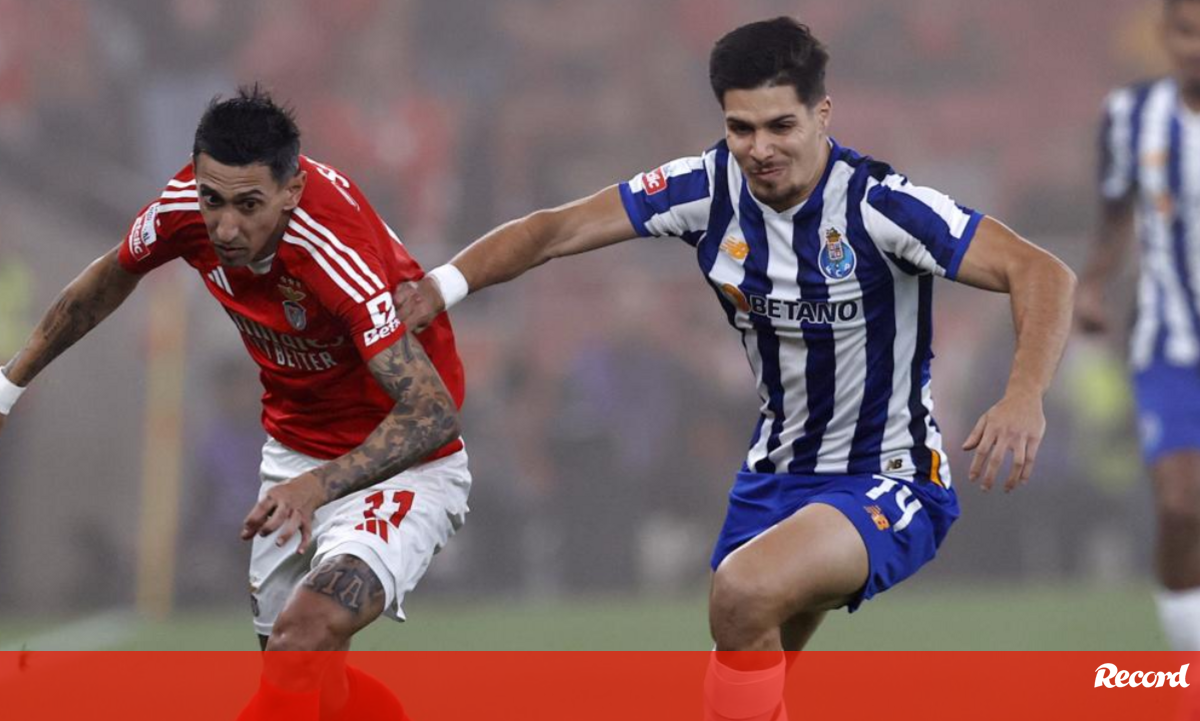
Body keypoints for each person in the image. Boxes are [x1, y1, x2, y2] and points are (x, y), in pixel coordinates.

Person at [397, 17, 1074, 720]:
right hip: (772, 479)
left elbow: (1043, 272)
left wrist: (1024, 394)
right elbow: (553, 230)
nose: (760, 149)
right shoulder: (704, 189)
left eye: (781, 126)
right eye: (741, 128)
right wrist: (442, 286)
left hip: (888, 475)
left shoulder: (880, 205)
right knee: (743, 679)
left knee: (743, 592)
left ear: (822, 114)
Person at [0, 87, 469, 718]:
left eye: (249, 206)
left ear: (291, 191)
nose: (224, 227)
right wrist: (8, 386)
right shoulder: (181, 210)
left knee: (303, 636)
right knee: (310, 682)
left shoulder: (333, 255)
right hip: (295, 457)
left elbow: (432, 411)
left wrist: (319, 486)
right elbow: (109, 278)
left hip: (400, 464)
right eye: (212, 200)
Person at [1077, 0, 1200, 652]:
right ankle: (1189, 667)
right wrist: (1094, 284)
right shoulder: (1131, 116)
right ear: (1165, 35)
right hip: (1168, 343)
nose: (1197, 46)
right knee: (1180, 506)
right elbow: (1114, 213)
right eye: (1187, 31)